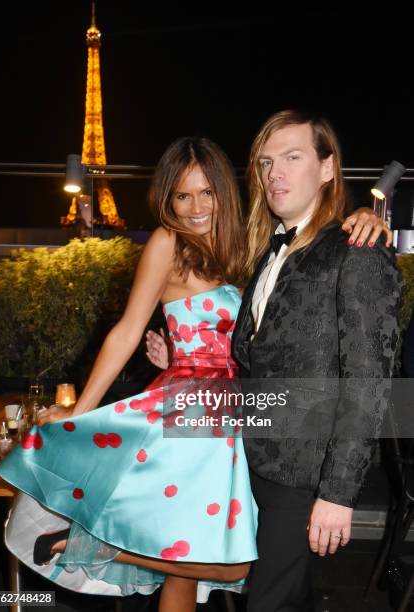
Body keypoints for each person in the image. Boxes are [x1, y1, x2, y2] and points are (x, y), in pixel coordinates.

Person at [0, 130, 390, 612]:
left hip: (247, 411)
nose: (195, 206)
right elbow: (126, 330)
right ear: (168, 199)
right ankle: (108, 547)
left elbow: (295, 278)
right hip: (194, 415)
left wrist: (363, 214)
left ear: (225, 192)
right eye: (182, 195)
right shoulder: (168, 243)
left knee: (190, 572)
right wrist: (82, 409)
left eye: (206, 192)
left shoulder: (254, 242)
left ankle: (117, 548)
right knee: (233, 563)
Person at [146, 110, 402, 612]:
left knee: (268, 602)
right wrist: (181, 351)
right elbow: (256, 355)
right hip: (253, 457)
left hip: (305, 473)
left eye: (292, 157)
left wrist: (338, 494)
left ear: (328, 168)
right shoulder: (267, 252)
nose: (274, 174)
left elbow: (368, 385)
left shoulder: (359, 250)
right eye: (265, 162)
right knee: (282, 597)